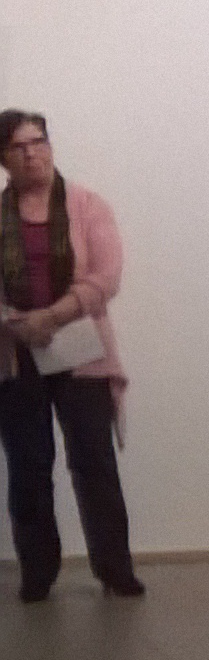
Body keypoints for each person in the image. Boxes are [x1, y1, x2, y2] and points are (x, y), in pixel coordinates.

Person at [1, 110, 142, 602]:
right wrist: (17, 321)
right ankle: (37, 573)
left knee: (93, 462)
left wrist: (53, 316)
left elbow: (106, 276)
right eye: (18, 147)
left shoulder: (87, 205)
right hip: (15, 355)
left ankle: (115, 570)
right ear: (3, 159)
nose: (31, 154)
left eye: (38, 142)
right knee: (28, 465)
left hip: (81, 353)